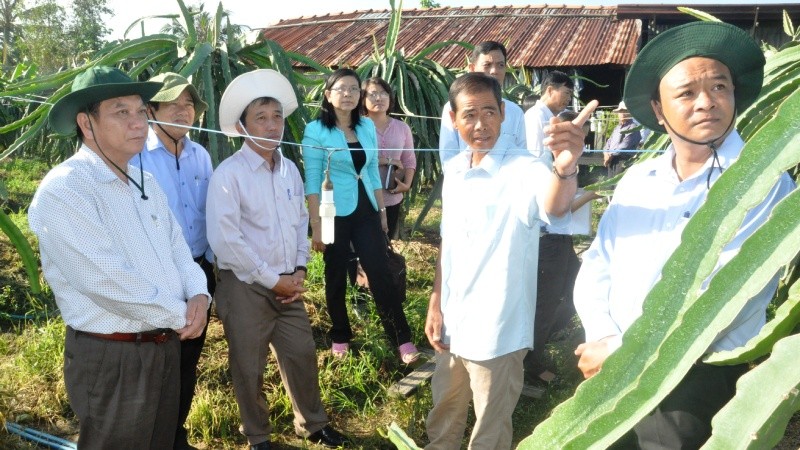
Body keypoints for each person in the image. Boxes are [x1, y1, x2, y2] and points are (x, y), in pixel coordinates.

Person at [573, 22, 795, 448]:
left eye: (719, 87)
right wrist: (601, 336)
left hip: (692, 380)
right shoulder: (638, 180)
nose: (707, 102)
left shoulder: (764, 182)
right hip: (605, 368)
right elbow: (600, 262)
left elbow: (723, 297)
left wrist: (623, 354)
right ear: (659, 110)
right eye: (687, 93)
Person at [28, 66, 210, 449]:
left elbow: (179, 249)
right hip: (114, 355)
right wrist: (184, 314)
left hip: (162, 345)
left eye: (141, 111)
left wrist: (198, 294)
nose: (138, 122)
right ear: (86, 123)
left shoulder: (144, 181)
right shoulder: (66, 189)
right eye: (120, 112)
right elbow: (106, 281)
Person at [424, 72, 596, 449]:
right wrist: (436, 303)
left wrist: (565, 166)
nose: (480, 124)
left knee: (490, 426)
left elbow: (554, 205)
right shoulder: (454, 170)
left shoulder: (525, 169)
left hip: (498, 327)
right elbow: (447, 241)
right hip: (455, 318)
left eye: (489, 111)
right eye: (469, 114)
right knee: (444, 414)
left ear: (503, 113)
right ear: (453, 120)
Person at [206, 69, 348, 450]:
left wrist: (300, 269)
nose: (272, 126)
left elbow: (301, 220)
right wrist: (273, 279)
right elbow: (226, 240)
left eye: (277, 117)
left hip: (288, 284)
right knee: (248, 366)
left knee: (301, 355)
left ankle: (313, 424)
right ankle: (258, 437)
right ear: (241, 126)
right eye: (261, 118)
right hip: (246, 287)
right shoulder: (228, 175)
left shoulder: (289, 169)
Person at [303, 68, 420, 364]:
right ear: (328, 94)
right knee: (335, 275)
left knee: (379, 272)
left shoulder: (366, 127)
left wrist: (381, 212)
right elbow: (313, 178)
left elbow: (369, 171)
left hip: (366, 208)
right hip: (332, 213)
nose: (348, 94)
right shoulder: (316, 130)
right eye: (341, 89)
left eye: (354, 89)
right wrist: (316, 225)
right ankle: (340, 335)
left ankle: (402, 339)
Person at [130, 72, 214, 450]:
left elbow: (209, 214)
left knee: (187, 360)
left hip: (198, 272)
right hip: (155, 273)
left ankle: (175, 436)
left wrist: (212, 271)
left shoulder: (201, 155)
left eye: (190, 104)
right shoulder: (137, 157)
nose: (183, 110)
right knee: (152, 364)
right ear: (152, 110)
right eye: (174, 103)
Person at [438, 41, 526, 168]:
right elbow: (448, 156)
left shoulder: (515, 111)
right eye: (487, 65)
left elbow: (522, 152)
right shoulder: (453, 107)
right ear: (472, 69)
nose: (494, 71)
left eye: (500, 65)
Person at [361, 76, 416, 240]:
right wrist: (387, 161)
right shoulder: (357, 127)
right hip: (362, 197)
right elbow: (356, 158)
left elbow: (409, 159)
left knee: (384, 246)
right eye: (372, 94)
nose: (378, 98)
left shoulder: (402, 127)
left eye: (383, 93)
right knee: (360, 247)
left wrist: (406, 185)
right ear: (362, 99)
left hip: (392, 197)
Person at [524, 70, 574, 158]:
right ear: (550, 90)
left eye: (570, 94)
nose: (569, 98)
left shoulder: (564, 114)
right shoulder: (535, 115)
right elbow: (536, 154)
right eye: (567, 93)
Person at [602, 101, 641, 177]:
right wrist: (605, 153)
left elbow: (625, 145)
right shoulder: (617, 128)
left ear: (630, 113)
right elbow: (609, 141)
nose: (622, 114)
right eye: (620, 111)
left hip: (624, 161)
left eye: (625, 111)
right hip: (612, 160)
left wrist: (610, 155)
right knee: (610, 186)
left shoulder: (633, 127)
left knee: (619, 185)